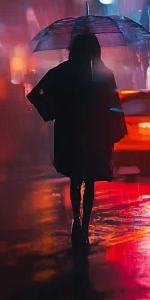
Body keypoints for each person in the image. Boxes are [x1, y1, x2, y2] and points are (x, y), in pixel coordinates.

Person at [28, 34, 127, 246]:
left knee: (75, 178)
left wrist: (53, 110)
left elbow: (37, 93)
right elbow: (114, 104)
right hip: (95, 134)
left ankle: (76, 218)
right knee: (90, 179)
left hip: (70, 133)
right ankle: (85, 224)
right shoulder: (104, 73)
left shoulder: (63, 72)